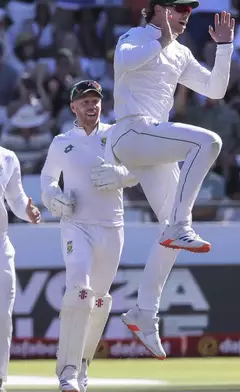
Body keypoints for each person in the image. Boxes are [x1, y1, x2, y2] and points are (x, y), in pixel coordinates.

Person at [107, 0, 235, 359]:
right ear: (158, 8)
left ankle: (144, 313)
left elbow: (215, 89)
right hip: (130, 133)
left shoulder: (179, 52)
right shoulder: (133, 38)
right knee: (208, 141)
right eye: (178, 9)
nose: (184, 16)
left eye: (188, 11)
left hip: (154, 145)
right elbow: (128, 63)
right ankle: (179, 224)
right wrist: (159, 33)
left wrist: (224, 48)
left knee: (172, 233)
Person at [40, 80, 138, 392]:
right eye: (84, 101)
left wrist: (121, 175)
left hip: (111, 227)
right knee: (78, 291)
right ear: (73, 107)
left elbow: (140, 170)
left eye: (95, 100)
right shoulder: (61, 142)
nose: (91, 106)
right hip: (76, 224)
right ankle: (67, 372)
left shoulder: (114, 135)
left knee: (97, 301)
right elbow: (47, 180)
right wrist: (53, 199)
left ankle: (82, 365)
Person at [0, 158, 41, 392]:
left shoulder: (6, 157)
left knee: (3, 315)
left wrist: (28, 210)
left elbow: (15, 199)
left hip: (0, 244)